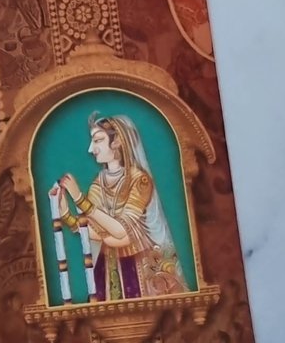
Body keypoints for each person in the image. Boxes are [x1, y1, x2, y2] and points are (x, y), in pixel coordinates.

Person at [54, 112, 187, 299]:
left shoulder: (139, 180)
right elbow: (94, 231)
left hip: (141, 265)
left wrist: (79, 199)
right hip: (108, 266)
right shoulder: (98, 184)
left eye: (98, 140)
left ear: (116, 141)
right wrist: (66, 215)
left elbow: (121, 231)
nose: (91, 149)